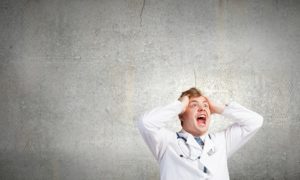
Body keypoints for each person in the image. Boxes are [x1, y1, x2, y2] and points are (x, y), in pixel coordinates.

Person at [138, 87, 263, 180]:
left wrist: (218, 108)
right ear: (181, 115)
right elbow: (146, 122)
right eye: (194, 105)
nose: (202, 108)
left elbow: (255, 121)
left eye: (205, 105)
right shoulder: (166, 142)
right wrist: (179, 105)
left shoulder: (222, 141)